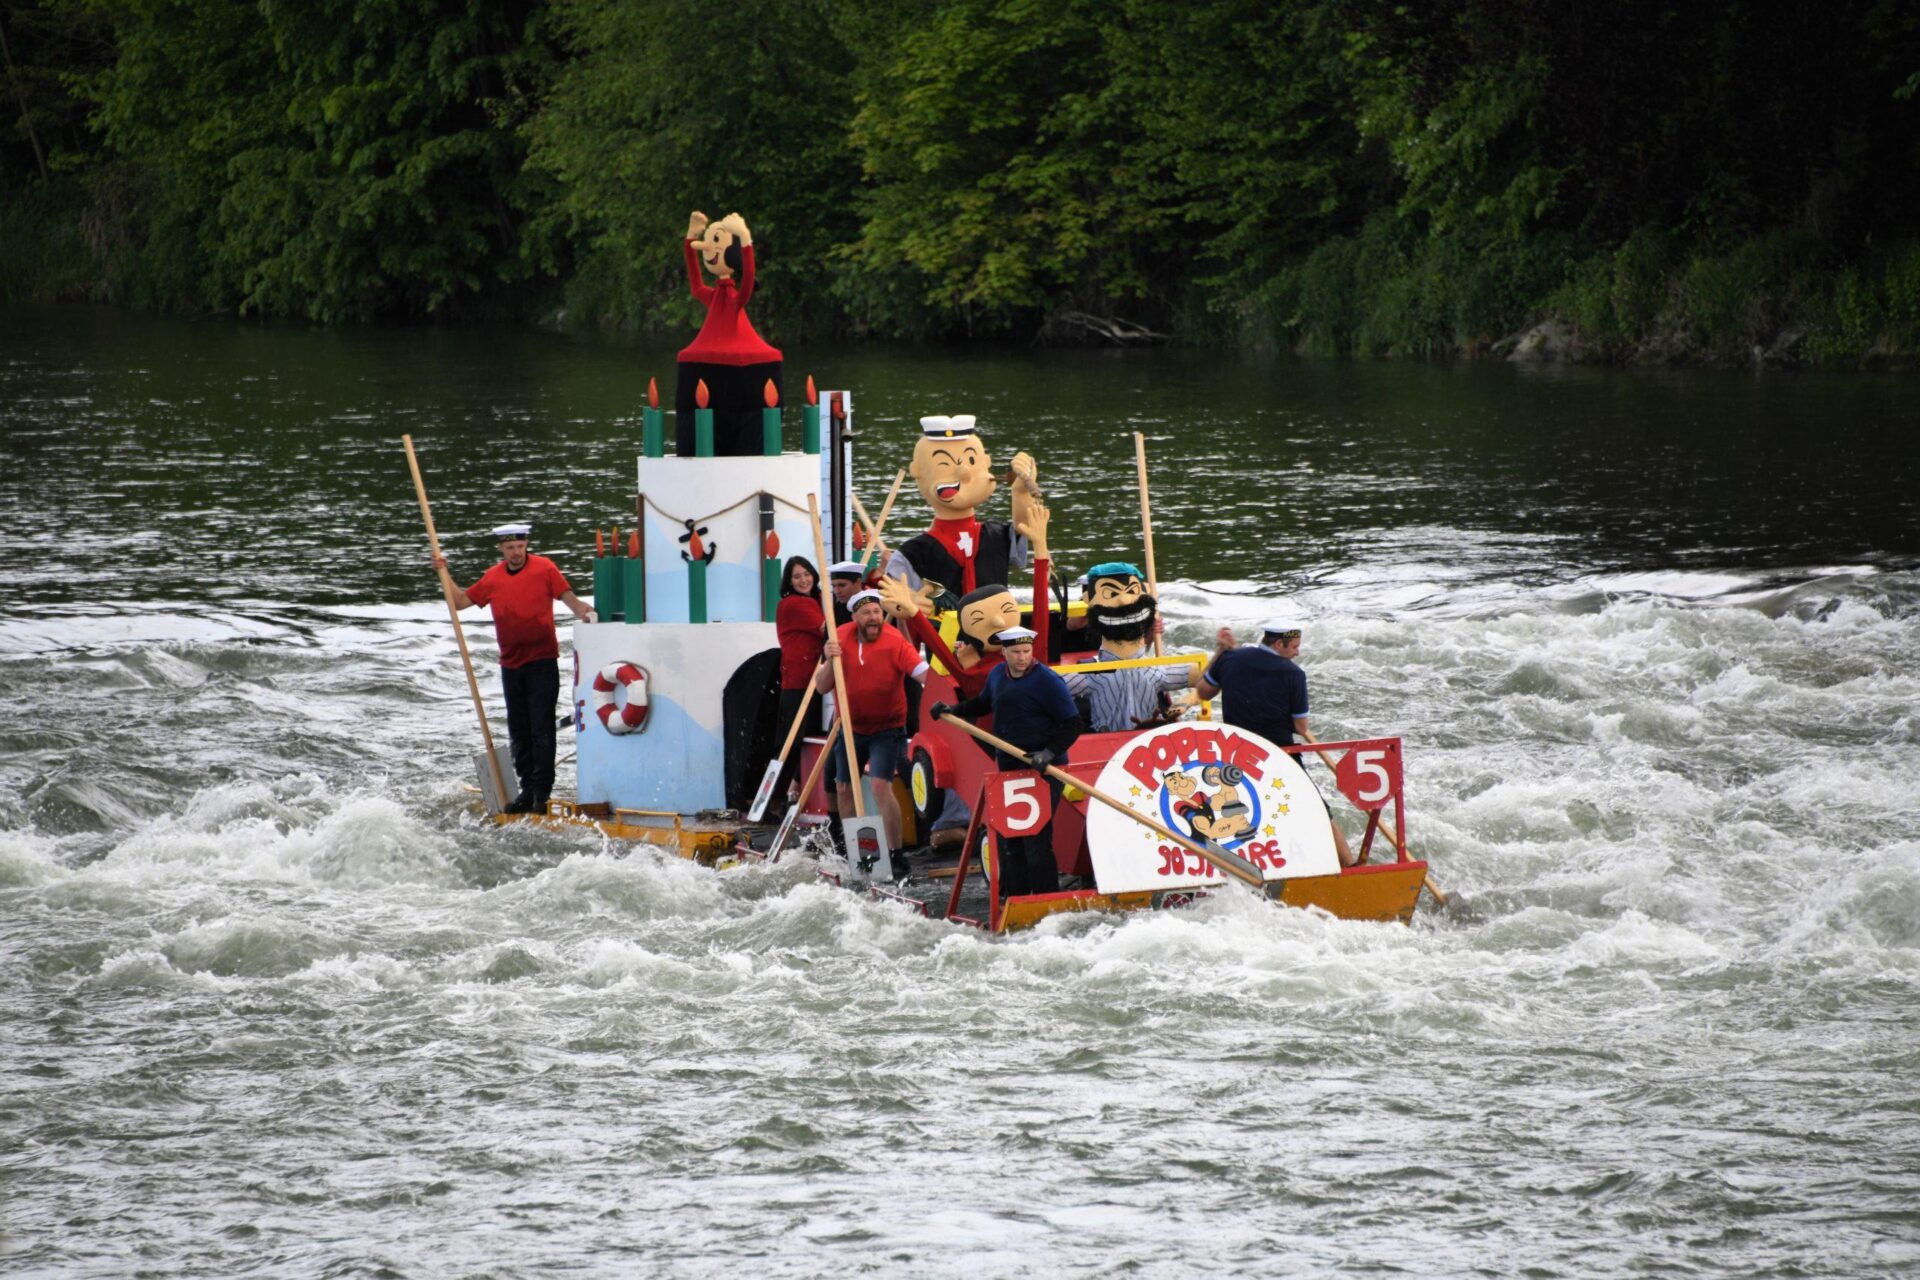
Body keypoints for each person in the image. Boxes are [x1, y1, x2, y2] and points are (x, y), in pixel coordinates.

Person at [434, 523, 595, 814]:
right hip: (511, 665)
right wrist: (443, 572)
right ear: (501, 549)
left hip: (543, 663)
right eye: (510, 548)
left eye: (520, 547)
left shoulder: (545, 568)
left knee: (541, 729)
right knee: (518, 730)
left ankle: (541, 794)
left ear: (526, 545)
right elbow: (459, 603)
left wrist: (584, 611)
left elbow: (570, 600)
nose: (516, 553)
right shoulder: (493, 578)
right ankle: (526, 790)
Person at [931, 626, 1084, 897]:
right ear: (1004, 653)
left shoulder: (1047, 681)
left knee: (1036, 839)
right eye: (1016, 652)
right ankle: (1015, 898)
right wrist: (952, 710)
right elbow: (983, 703)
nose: (1022, 657)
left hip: (1045, 767)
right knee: (1011, 837)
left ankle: (1046, 898)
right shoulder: (996, 675)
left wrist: (1048, 753)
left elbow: (1072, 724)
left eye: (1027, 651)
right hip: (1010, 765)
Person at [1194, 618, 1356, 866]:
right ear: (1280, 644)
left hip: (1237, 755)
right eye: (1294, 647)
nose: (1297, 652)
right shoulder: (1294, 673)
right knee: (1318, 811)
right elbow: (1301, 727)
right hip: (1280, 755)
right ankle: (1349, 865)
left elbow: (1203, 692)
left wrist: (1220, 652)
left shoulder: (1230, 659)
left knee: (1243, 816)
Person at [813, 588, 931, 856]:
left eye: (877, 612)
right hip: (850, 727)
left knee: (880, 786)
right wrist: (830, 660)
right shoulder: (839, 637)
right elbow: (821, 687)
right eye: (866, 613)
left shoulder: (894, 640)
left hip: (887, 728)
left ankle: (895, 853)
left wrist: (945, 691)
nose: (873, 617)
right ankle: (859, 853)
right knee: (843, 787)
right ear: (855, 617)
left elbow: (922, 673)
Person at [1062, 561, 1197, 733]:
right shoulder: (1089, 672)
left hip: (1146, 738)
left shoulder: (1156, 671)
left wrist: (1187, 700)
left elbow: (1211, 675)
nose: (1124, 600)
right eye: (1110, 592)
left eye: (1131, 591)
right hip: (1098, 664)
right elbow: (1072, 625)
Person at [773, 555, 826, 799]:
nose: (803, 580)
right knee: (794, 741)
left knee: (805, 737)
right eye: (797, 576)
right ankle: (782, 794)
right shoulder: (795, 604)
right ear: (789, 581)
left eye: (807, 574)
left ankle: (796, 791)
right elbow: (827, 628)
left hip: (816, 680)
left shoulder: (816, 599)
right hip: (800, 682)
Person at [827, 560, 867, 627]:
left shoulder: (872, 605)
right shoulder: (837, 608)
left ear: (858, 582)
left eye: (842, 585)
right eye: (833, 586)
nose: (836, 591)